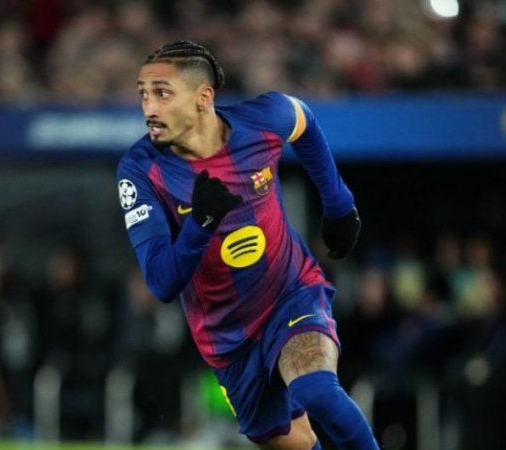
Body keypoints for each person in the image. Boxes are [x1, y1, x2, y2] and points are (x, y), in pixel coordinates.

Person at [116, 41, 377, 450]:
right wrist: (201, 223)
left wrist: (339, 203)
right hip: (227, 340)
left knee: (315, 390)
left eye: (162, 93)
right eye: (143, 94)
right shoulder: (140, 170)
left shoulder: (262, 120)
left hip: (290, 294)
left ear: (203, 98)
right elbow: (161, 283)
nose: (149, 107)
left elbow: (304, 120)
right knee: (299, 445)